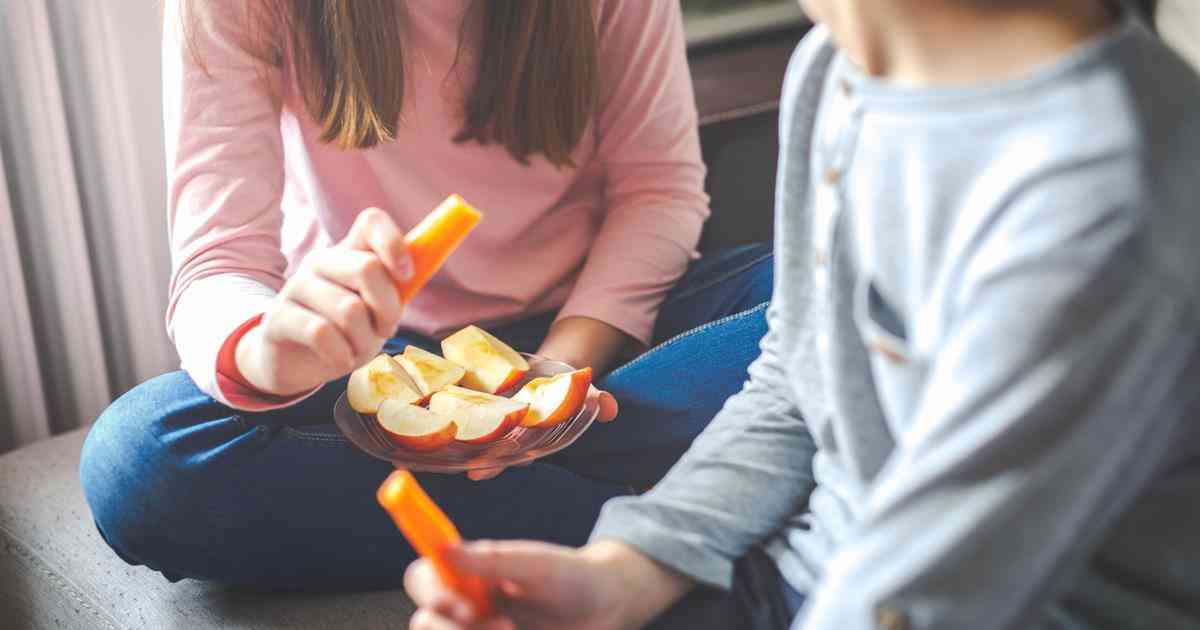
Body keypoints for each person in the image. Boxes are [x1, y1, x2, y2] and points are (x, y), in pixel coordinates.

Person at [403, 0, 1200, 628]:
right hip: (809, 575)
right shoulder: (838, 66)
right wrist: (626, 573)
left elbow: (927, 595)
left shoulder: (1105, 191)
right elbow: (796, 380)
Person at [78, 0, 775, 592]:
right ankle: (665, 511)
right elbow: (219, 258)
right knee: (140, 463)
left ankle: (614, 503)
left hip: (592, 335)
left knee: (844, 295)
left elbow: (659, 189)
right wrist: (268, 353)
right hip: (379, 359)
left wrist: (556, 375)